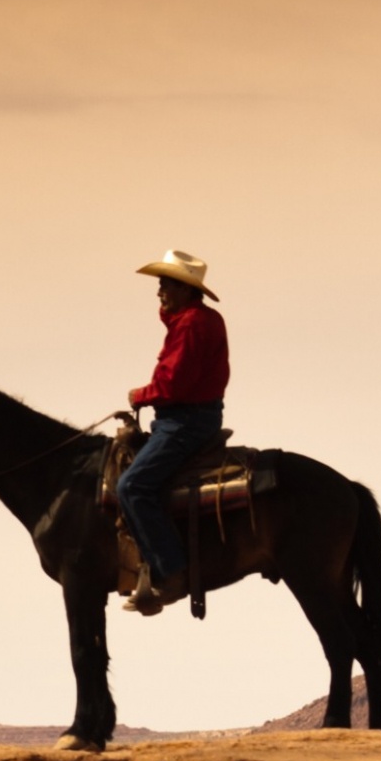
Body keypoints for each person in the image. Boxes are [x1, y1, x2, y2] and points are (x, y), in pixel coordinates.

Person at [117, 248, 230, 615]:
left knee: (133, 486)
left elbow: (173, 385)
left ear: (183, 287)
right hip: (189, 417)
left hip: (184, 421)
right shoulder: (195, 319)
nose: (159, 291)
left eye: (165, 284)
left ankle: (170, 571)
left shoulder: (192, 324)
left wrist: (140, 394)